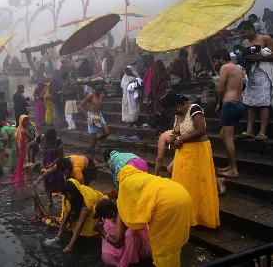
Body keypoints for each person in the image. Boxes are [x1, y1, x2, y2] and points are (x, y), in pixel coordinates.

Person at [104, 149, 192, 267]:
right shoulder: (140, 176)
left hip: (167, 203)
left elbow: (134, 223)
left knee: (163, 245)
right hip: (181, 192)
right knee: (174, 239)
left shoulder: (125, 182)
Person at [160, 94, 221, 228]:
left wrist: (181, 139)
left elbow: (201, 130)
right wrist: (172, 140)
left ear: (177, 106)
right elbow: (175, 132)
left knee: (198, 185)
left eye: (171, 111)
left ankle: (201, 218)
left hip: (199, 152)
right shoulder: (177, 114)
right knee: (184, 186)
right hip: (183, 154)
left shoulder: (194, 109)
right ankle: (188, 217)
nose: (172, 114)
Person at [46, 179, 108, 254]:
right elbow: (67, 217)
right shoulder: (69, 197)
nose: (68, 196)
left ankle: (97, 234)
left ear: (75, 192)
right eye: (67, 194)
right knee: (72, 221)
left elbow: (79, 226)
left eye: (70, 194)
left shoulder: (85, 203)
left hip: (100, 207)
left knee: (88, 225)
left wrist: (69, 247)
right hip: (83, 204)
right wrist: (57, 238)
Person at [237, 20, 273, 141]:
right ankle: (249, 131)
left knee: (263, 103)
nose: (242, 35)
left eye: (243, 32)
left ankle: (262, 132)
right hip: (250, 75)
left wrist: (259, 57)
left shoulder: (265, 38)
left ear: (250, 29)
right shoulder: (245, 42)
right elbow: (242, 57)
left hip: (263, 73)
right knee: (250, 103)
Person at [213, 49, 245, 178]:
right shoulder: (237, 68)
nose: (216, 63)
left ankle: (234, 169)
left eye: (216, 60)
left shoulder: (225, 67)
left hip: (229, 104)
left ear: (221, 58)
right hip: (239, 104)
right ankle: (230, 165)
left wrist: (219, 103)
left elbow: (220, 89)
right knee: (223, 135)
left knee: (227, 137)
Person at [93, 199, 152, 267]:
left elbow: (118, 243)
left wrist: (101, 231)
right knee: (107, 256)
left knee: (130, 233)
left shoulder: (121, 214)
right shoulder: (109, 216)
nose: (105, 218)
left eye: (105, 216)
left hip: (141, 243)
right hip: (122, 243)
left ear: (112, 212)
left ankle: (127, 262)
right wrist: (100, 223)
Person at [29, 128, 63, 207]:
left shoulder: (58, 142)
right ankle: (50, 202)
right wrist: (30, 159)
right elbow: (29, 145)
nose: (49, 142)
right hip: (46, 163)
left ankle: (64, 199)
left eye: (51, 141)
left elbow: (60, 156)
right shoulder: (41, 138)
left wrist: (53, 163)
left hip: (56, 164)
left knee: (59, 181)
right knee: (47, 182)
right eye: (48, 140)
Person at [78, 86, 110, 154]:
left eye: (101, 91)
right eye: (98, 91)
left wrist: (101, 114)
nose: (99, 92)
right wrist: (86, 115)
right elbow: (80, 105)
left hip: (99, 115)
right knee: (93, 138)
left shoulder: (102, 95)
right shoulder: (90, 95)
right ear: (95, 90)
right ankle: (91, 155)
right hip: (92, 116)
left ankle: (97, 142)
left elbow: (100, 105)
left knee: (106, 132)